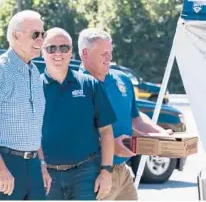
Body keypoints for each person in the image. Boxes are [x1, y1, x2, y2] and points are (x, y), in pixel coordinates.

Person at [78, 28, 173, 200]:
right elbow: (73, 134)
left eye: (110, 52)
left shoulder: (122, 79)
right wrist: (111, 146)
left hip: (123, 171)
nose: (110, 58)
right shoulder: (75, 87)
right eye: (103, 54)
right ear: (85, 53)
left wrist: (160, 134)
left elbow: (135, 117)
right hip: (93, 173)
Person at [0, 10, 51, 200]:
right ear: (16, 35)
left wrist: (41, 164)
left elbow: (34, 127)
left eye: (43, 34)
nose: (41, 40)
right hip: (4, 165)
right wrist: (0, 169)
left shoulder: (35, 73)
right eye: (35, 34)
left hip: (33, 167)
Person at [40, 27, 116, 200]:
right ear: (42, 52)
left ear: (71, 52)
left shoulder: (90, 85)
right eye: (51, 48)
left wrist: (106, 172)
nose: (58, 53)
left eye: (64, 47)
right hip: (46, 175)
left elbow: (106, 132)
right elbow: (28, 133)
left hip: (86, 173)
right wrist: (40, 166)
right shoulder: (33, 88)